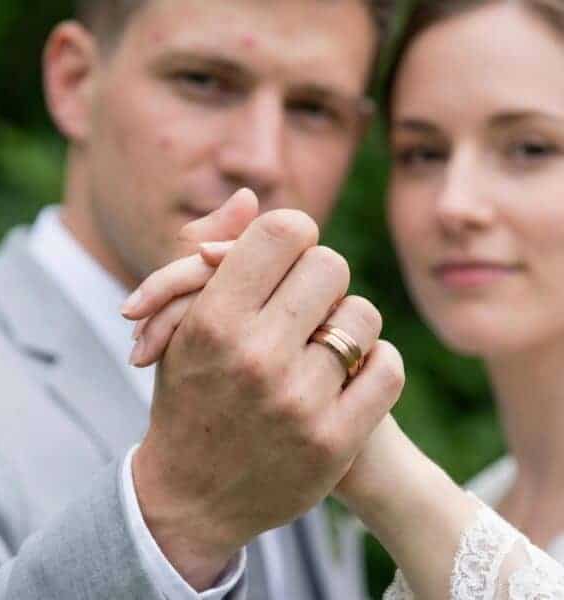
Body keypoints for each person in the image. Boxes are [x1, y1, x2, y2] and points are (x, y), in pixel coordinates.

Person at [127, 0, 564, 597]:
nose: (454, 203)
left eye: (530, 149)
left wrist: (365, 443)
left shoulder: (424, 501)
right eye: (422, 153)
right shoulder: (489, 496)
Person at [0, 1, 399, 598]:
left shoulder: (306, 393)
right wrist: (176, 515)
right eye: (204, 82)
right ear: (74, 82)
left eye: (312, 109)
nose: (258, 159)